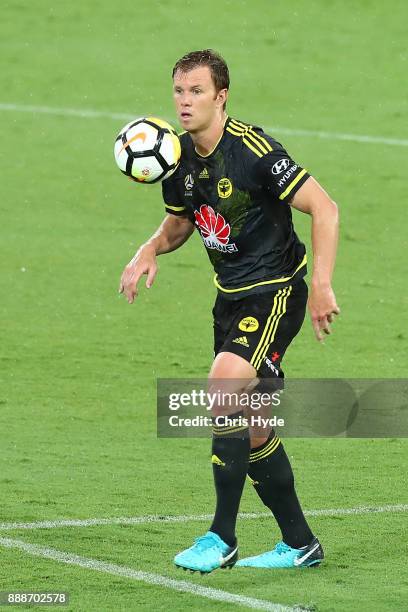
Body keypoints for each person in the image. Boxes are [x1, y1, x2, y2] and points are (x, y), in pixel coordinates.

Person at [119, 49, 340, 573]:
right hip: (231, 298)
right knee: (254, 424)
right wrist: (148, 248)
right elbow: (181, 223)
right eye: (179, 90)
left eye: (196, 91)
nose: (185, 101)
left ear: (221, 96)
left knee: (223, 390)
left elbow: (325, 208)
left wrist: (324, 285)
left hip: (275, 291)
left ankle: (221, 536)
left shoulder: (253, 151)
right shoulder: (174, 159)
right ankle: (300, 543)